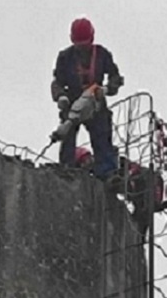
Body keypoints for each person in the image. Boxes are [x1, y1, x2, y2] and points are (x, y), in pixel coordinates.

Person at [51, 18, 124, 179]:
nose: (82, 47)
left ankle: (106, 173)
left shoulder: (102, 55)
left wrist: (107, 89)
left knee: (102, 136)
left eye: (84, 43)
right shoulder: (65, 57)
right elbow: (57, 82)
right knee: (68, 134)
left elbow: (116, 77)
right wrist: (61, 97)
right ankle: (66, 169)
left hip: (96, 101)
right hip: (72, 101)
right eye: (79, 44)